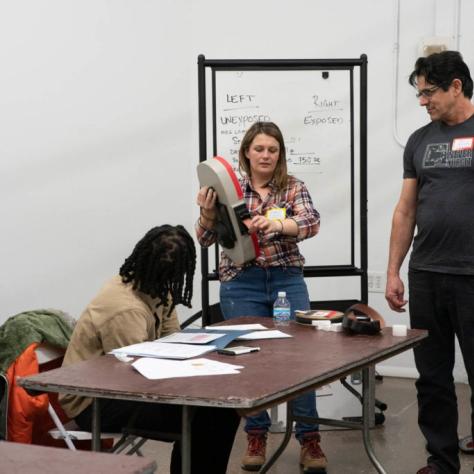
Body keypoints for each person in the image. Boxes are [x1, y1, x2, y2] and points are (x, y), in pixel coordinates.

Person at [195, 121, 327, 473]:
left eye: (272, 149)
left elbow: (311, 222)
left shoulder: (293, 187)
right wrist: (208, 213)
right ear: (247, 153)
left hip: (287, 279)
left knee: (300, 360)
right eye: (259, 149)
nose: (266, 155)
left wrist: (278, 225)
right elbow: (206, 239)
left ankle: (309, 439)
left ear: (280, 154)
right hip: (241, 283)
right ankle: (256, 435)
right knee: (248, 361)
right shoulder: (228, 190)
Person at [59, 225, 240, 474]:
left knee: (220, 410)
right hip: (95, 402)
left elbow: (173, 342)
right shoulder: (125, 310)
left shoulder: (154, 286)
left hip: (124, 385)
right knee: (204, 414)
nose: (172, 286)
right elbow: (135, 376)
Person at [385, 51, 474, 474]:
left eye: (429, 92)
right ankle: (441, 462)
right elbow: (406, 210)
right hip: (427, 276)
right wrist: (392, 271)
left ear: (456, 85)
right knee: (432, 378)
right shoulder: (420, 141)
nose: (423, 101)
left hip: (472, 276)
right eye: (419, 93)